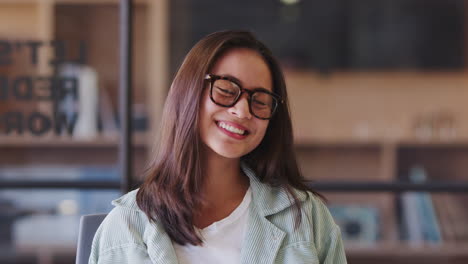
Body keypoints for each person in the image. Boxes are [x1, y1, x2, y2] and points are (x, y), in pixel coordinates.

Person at [89, 30, 347, 264]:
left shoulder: (306, 217)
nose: (242, 110)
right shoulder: (125, 225)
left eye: (259, 101)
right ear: (189, 93)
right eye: (225, 90)